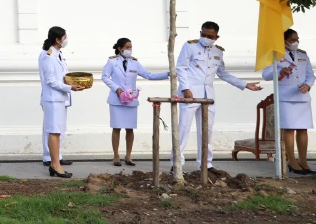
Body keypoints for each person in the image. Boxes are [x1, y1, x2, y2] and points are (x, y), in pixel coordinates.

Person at [176, 21, 262, 174]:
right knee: (183, 129)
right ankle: (176, 163)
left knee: (206, 130)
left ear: (217, 36)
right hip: (189, 93)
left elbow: (223, 73)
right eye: (203, 34)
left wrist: (244, 84)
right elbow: (181, 68)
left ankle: (206, 164)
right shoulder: (190, 46)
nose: (206, 38)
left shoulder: (218, 52)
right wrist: (185, 88)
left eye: (210, 36)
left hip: (208, 95)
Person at [101, 37, 167, 167]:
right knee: (116, 128)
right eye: (127, 47)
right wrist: (116, 88)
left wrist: (168, 74)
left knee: (130, 129)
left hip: (130, 99)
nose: (129, 50)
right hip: (116, 99)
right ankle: (116, 155)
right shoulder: (111, 61)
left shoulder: (134, 63)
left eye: (131, 47)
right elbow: (104, 77)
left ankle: (129, 155)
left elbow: (149, 75)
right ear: (120, 49)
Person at [261, 28, 316, 175]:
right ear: (283, 41)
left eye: (297, 39)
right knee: (289, 129)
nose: (295, 42)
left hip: (302, 96)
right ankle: (291, 161)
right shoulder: (275, 55)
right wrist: (280, 72)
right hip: (285, 97)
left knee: (303, 129)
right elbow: (265, 74)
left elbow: (311, 75)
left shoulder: (303, 55)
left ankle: (303, 161)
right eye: (292, 40)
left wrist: (308, 85)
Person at [39, 26, 84, 178]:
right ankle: (55, 165)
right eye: (64, 38)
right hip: (52, 99)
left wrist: (74, 81)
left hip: (60, 98)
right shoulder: (48, 56)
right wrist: (70, 87)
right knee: (53, 131)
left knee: (58, 131)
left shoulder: (58, 54)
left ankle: (55, 163)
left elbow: (62, 75)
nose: (66, 40)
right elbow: (51, 81)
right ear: (57, 40)